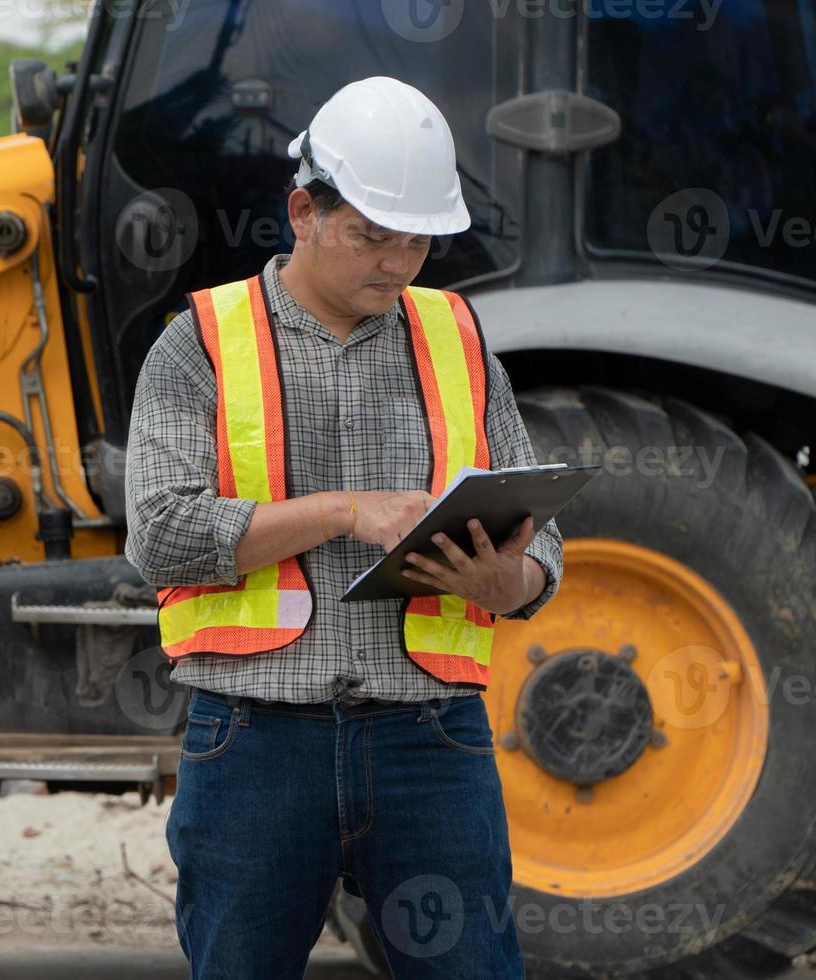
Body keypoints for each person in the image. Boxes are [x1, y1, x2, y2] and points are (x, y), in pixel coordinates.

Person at [124, 76, 562, 979]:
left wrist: (507, 584)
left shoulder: (460, 339)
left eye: (417, 241)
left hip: (431, 739)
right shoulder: (201, 341)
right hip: (255, 740)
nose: (397, 263)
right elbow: (160, 535)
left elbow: (539, 541)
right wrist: (342, 513)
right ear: (303, 211)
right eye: (372, 235)